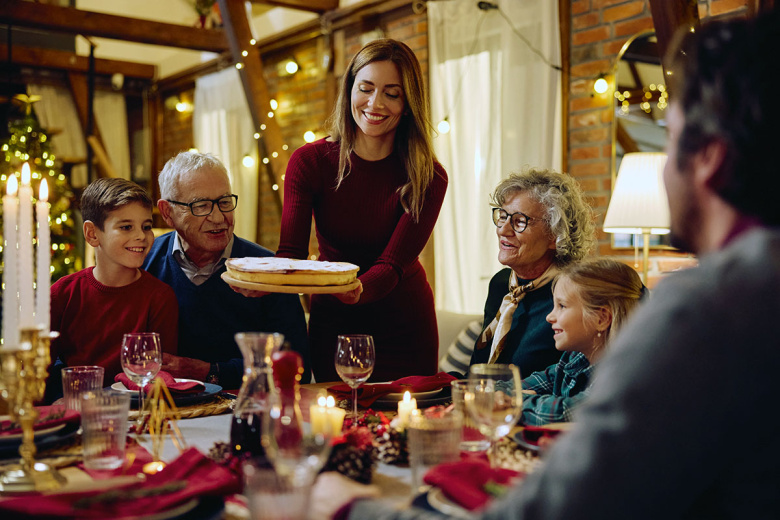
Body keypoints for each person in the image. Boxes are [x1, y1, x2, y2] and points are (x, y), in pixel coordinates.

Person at [312, 10, 780, 518]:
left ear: (709, 158)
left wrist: (351, 508)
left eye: (669, 139)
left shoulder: (708, 311)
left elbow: (558, 505)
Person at [275, 39, 447, 382]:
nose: (375, 103)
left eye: (392, 93)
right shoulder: (309, 162)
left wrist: (356, 289)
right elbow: (290, 253)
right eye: (365, 88)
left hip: (404, 326)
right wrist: (263, 282)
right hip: (334, 324)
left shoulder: (429, 176)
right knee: (337, 427)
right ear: (349, 90)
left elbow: (391, 265)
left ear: (409, 103)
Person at [143, 151, 310, 389]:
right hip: (168, 411)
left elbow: (295, 365)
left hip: (248, 409)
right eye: (201, 205)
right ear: (168, 212)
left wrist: (211, 372)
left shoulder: (270, 269)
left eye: (224, 202)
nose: (218, 217)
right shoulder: (144, 264)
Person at [47, 178, 178, 399]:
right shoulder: (62, 294)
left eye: (146, 227)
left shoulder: (160, 298)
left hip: (135, 412)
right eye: (126, 227)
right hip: (73, 411)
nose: (141, 236)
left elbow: (159, 377)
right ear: (92, 234)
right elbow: (41, 371)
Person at [470, 168, 596, 378]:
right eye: (502, 216)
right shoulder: (501, 283)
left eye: (519, 221)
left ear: (555, 236)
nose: (503, 230)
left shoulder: (573, 293)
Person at [521, 258, 643, 426]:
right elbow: (514, 386)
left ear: (601, 318)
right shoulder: (573, 361)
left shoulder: (627, 374)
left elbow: (565, 412)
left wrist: (515, 402)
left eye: (562, 306)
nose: (549, 317)